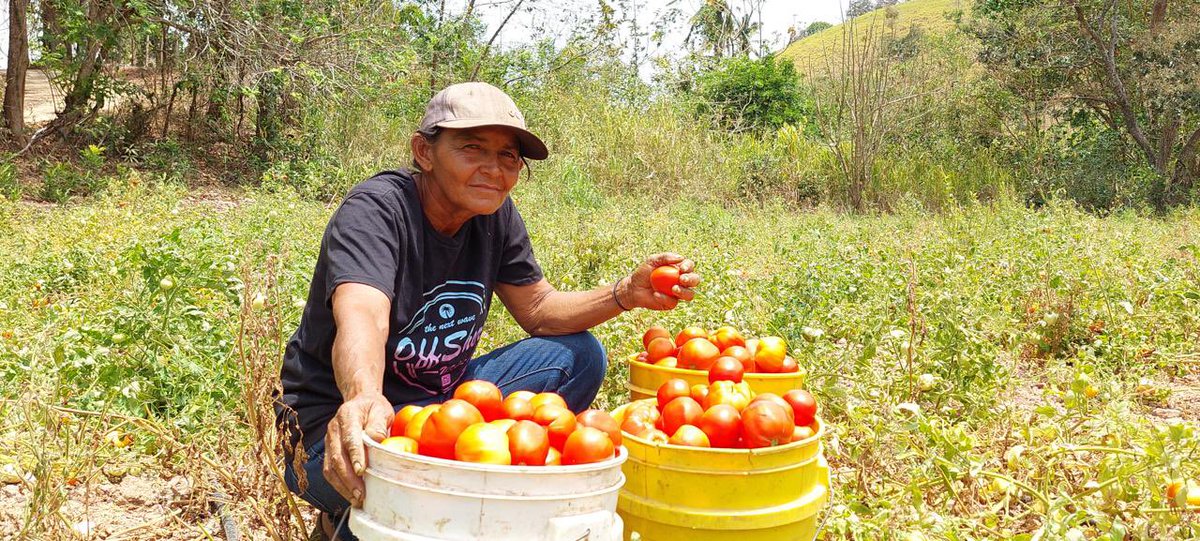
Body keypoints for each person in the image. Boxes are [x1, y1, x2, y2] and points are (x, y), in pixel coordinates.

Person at [275, 81, 701, 540]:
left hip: (435, 409)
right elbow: (363, 312)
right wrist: (362, 396)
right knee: (431, 507)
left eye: (507, 156)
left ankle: (454, 488)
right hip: (338, 427)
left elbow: (538, 309)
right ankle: (347, 521)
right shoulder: (378, 209)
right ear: (424, 151)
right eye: (472, 149)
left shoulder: (494, 214)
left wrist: (624, 293)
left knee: (579, 355)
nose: (493, 170)